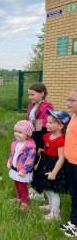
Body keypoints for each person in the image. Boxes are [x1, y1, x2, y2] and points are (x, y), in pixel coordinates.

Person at [31, 110, 70, 220]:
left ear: (60, 126)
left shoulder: (61, 140)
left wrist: (54, 172)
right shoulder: (47, 136)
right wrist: (38, 163)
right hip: (45, 163)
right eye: (47, 122)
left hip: (54, 166)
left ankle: (55, 213)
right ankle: (51, 205)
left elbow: (61, 158)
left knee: (53, 190)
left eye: (51, 122)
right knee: (46, 187)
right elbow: (44, 152)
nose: (47, 124)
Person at [27, 82, 53, 200]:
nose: (30, 97)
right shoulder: (30, 106)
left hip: (40, 139)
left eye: (33, 94)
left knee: (38, 164)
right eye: (29, 95)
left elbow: (46, 129)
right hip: (31, 138)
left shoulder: (46, 108)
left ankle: (38, 192)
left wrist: (42, 146)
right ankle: (33, 187)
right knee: (32, 162)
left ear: (42, 94)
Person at [7, 120, 36, 210]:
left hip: (23, 171)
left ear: (28, 134)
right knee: (16, 184)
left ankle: (24, 203)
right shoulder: (16, 142)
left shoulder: (30, 146)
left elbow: (30, 159)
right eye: (16, 131)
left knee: (23, 187)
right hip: (16, 168)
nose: (16, 134)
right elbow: (13, 153)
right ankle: (19, 198)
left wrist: (24, 170)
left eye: (20, 132)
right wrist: (10, 160)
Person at [61, 90, 77, 237]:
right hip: (70, 162)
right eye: (68, 100)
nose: (68, 103)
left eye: (73, 100)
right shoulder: (73, 117)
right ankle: (73, 219)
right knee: (73, 192)